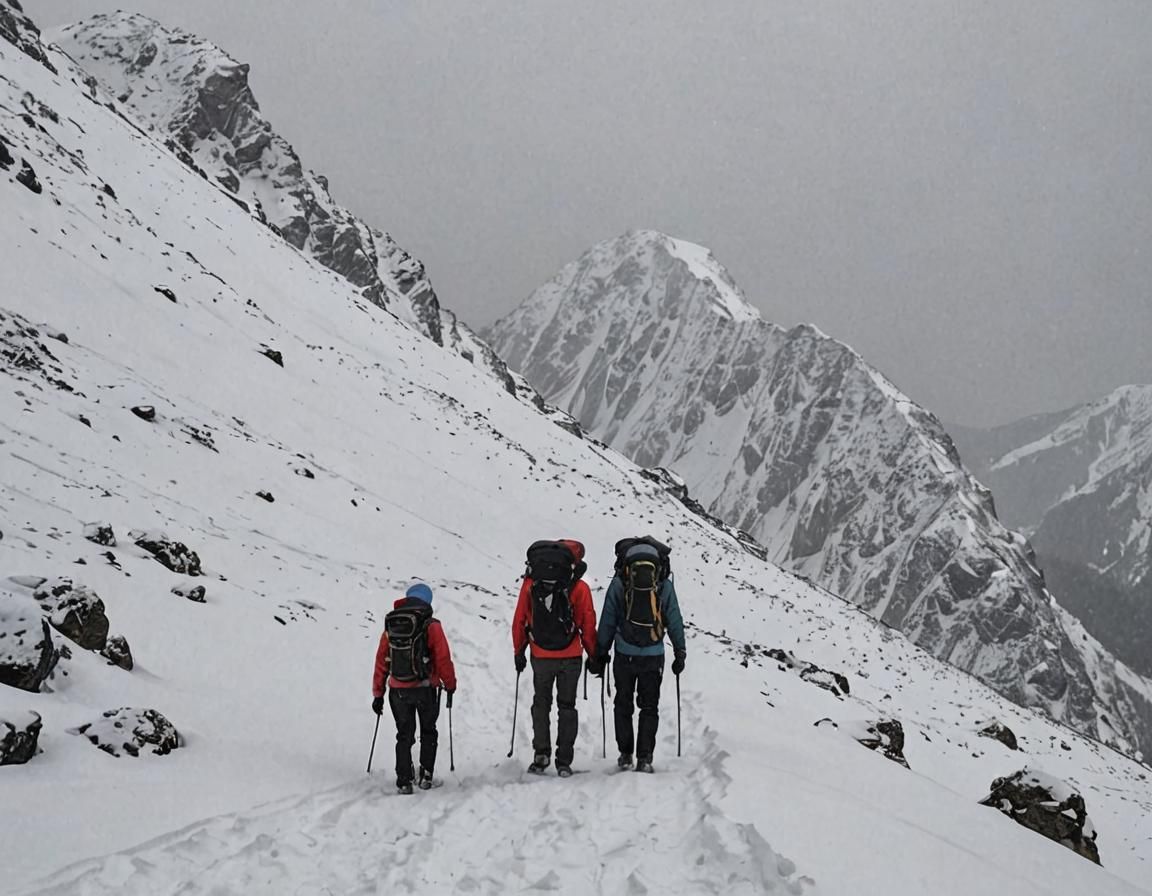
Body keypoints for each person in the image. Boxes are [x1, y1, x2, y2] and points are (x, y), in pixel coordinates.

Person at [587, 539, 686, 773]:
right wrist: (680, 651)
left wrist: (600, 653)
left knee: (623, 704)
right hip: (654, 654)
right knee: (649, 707)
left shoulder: (621, 582)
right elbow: (674, 618)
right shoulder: (663, 584)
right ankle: (645, 758)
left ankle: (625, 754)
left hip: (624, 653)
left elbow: (608, 619)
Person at [511, 539, 597, 776]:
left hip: (540, 654)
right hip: (571, 657)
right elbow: (587, 623)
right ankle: (564, 761)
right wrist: (594, 654)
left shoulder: (531, 583)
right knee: (567, 706)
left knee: (541, 704)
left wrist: (519, 650)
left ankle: (541, 754)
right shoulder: (579, 587)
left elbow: (520, 619)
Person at [372, 583, 457, 794]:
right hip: (426, 688)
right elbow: (443, 657)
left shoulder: (392, 624)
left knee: (404, 734)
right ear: (427, 601)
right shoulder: (431, 624)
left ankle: (404, 781)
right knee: (428, 731)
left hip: (397, 690)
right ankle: (426, 776)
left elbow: (382, 660)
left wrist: (378, 694)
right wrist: (450, 683)